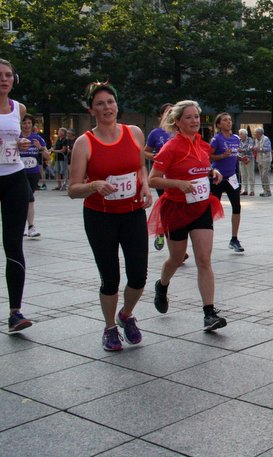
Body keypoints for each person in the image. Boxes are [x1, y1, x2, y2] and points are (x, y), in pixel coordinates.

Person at [68, 82, 153, 351]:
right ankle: (109, 328)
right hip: (100, 217)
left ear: (117, 105)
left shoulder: (134, 132)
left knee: (138, 276)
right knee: (110, 278)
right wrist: (94, 185)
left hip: (132, 213)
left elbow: (140, 166)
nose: (107, 107)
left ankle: (126, 315)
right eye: (100, 104)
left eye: (110, 102)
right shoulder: (84, 142)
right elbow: (72, 189)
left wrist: (145, 186)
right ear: (91, 110)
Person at [147, 100, 227, 331]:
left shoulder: (203, 145)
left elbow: (201, 168)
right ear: (178, 122)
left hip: (201, 206)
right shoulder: (170, 147)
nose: (194, 121)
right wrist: (177, 184)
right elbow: (153, 179)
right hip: (176, 208)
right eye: (189, 117)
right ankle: (162, 285)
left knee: (204, 259)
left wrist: (213, 172)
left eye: (197, 117)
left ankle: (209, 313)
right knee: (176, 257)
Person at [0, 58, 33, 332]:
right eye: (0, 75)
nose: (4, 79)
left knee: (13, 244)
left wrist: (21, 143)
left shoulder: (18, 109)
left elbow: (16, 140)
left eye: (8, 75)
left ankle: (15, 312)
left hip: (14, 178)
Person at [209, 113, 245, 252]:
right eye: (225, 120)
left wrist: (241, 159)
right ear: (219, 124)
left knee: (237, 207)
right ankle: (206, 237)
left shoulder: (236, 138)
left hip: (232, 177)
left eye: (230, 120)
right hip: (217, 178)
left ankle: (234, 239)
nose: (229, 122)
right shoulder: (216, 139)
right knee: (212, 209)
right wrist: (222, 156)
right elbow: (208, 156)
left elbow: (234, 154)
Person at [145, 103, 174, 251]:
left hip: (177, 176)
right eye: (168, 112)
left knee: (176, 208)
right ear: (161, 116)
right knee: (166, 206)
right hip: (161, 176)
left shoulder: (180, 131)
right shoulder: (155, 133)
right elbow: (145, 152)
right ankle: (163, 233)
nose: (170, 115)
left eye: (173, 112)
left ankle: (172, 238)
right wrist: (155, 156)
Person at [19, 114, 48, 238]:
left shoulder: (37, 138)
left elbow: (47, 156)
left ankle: (22, 227)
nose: (27, 125)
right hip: (19, 173)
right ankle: (31, 227)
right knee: (29, 198)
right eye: (24, 123)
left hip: (33, 173)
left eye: (29, 123)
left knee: (25, 200)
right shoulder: (17, 137)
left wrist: (39, 148)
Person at [254, 127, 272, 197]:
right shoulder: (256, 140)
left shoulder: (266, 139)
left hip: (266, 159)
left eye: (256, 133)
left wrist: (259, 149)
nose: (255, 134)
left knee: (265, 175)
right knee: (261, 176)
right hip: (259, 159)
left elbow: (268, 149)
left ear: (260, 133)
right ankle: (264, 190)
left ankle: (268, 191)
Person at [238, 128, 256, 196]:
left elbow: (250, 148)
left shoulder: (250, 140)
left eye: (241, 134)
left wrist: (242, 150)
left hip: (249, 159)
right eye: (239, 134)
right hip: (241, 159)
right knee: (243, 175)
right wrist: (240, 150)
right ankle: (244, 190)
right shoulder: (239, 140)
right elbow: (237, 148)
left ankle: (252, 190)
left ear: (245, 134)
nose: (240, 135)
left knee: (251, 175)